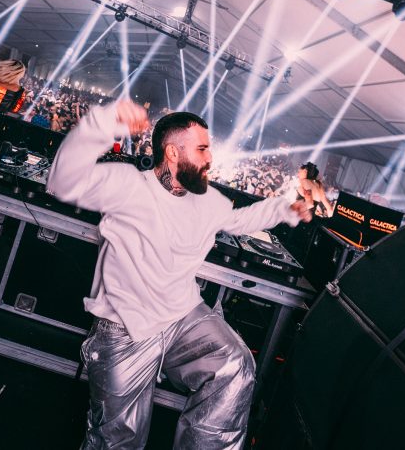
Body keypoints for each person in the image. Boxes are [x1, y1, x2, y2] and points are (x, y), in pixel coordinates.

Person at [45, 100, 312, 449]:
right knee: (117, 439)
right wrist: (104, 122)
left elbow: (240, 221)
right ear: (173, 152)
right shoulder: (128, 185)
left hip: (182, 317)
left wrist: (287, 208)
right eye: (201, 149)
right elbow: (63, 182)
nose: (210, 158)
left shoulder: (209, 201)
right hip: (126, 326)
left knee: (235, 366)